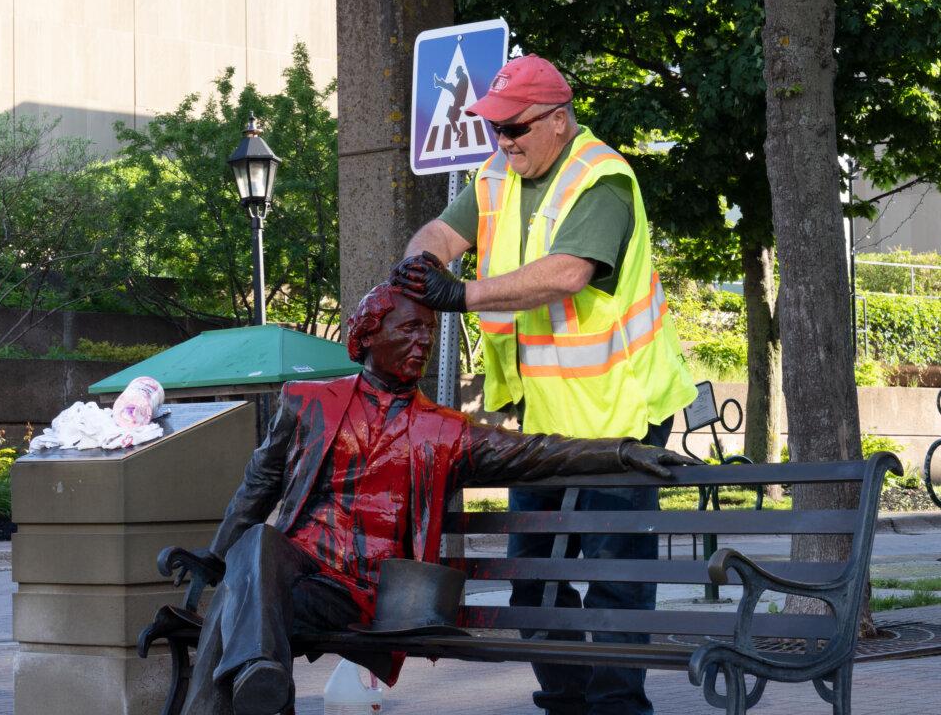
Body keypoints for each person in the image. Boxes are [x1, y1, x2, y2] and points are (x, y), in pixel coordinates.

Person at [179, 284, 695, 715]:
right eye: (409, 328)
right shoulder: (306, 403)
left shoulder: (444, 430)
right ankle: (262, 670)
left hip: (371, 593)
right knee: (258, 544)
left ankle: (259, 674)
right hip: (299, 573)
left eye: (429, 330)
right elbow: (256, 488)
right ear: (367, 335)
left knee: (234, 607)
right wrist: (215, 559)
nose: (423, 341)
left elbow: (538, 453)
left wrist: (625, 451)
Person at [392, 54, 698, 715]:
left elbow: (567, 274)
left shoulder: (604, 179)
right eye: (495, 128)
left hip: (621, 413)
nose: (504, 140)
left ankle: (618, 707)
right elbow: (442, 232)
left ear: (558, 121)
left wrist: (462, 292)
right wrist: (418, 268)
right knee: (534, 581)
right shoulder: (499, 175)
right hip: (546, 419)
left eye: (516, 127)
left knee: (615, 579)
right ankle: (568, 701)